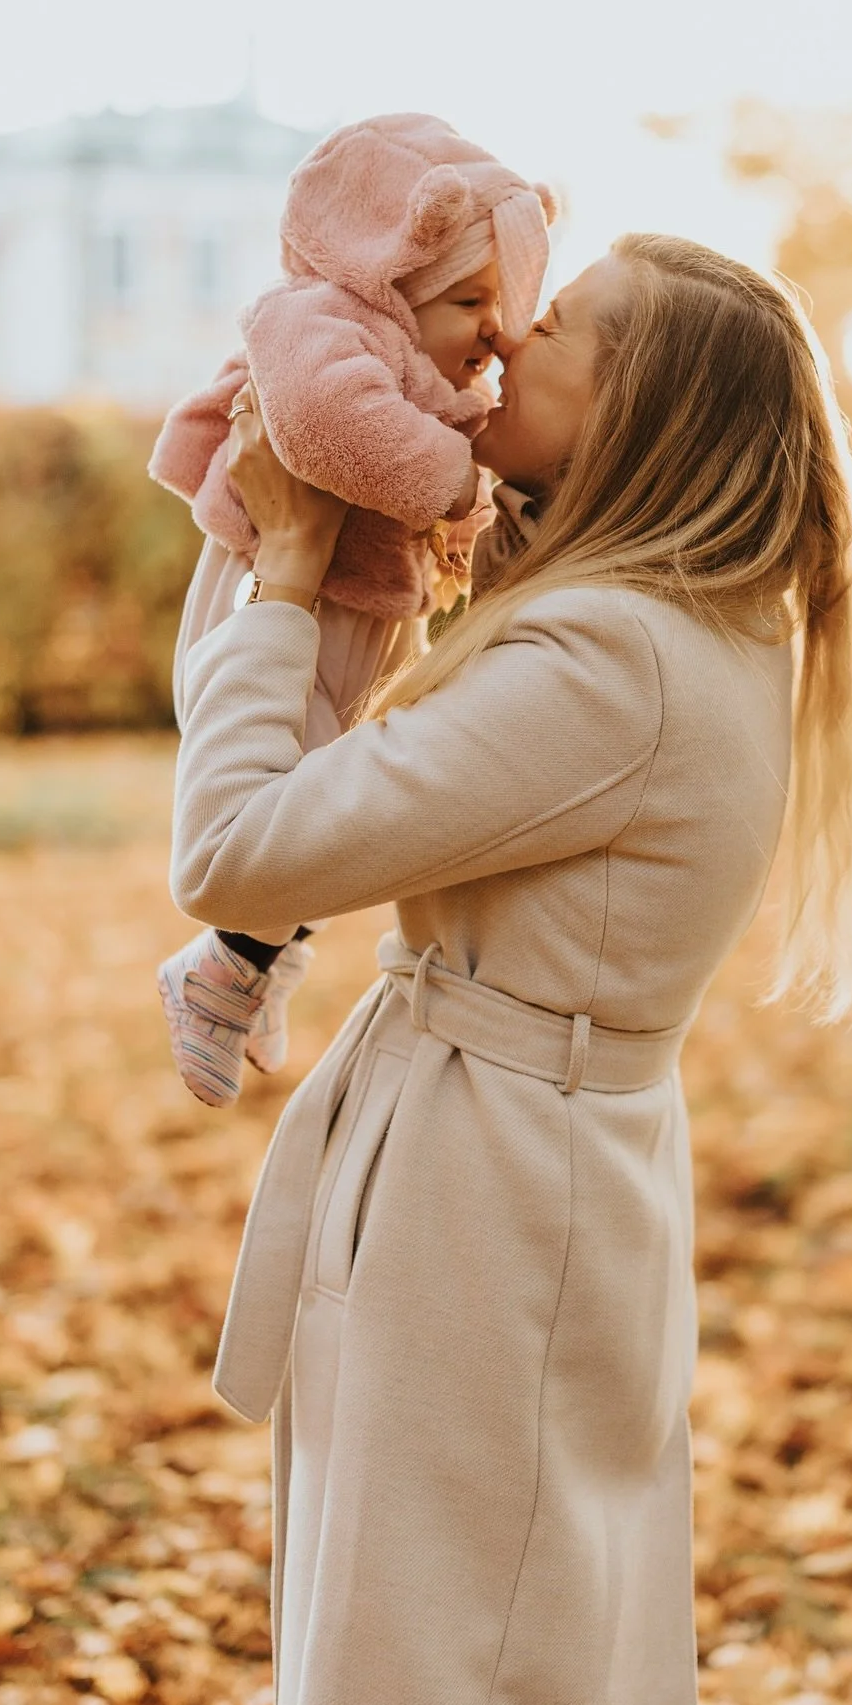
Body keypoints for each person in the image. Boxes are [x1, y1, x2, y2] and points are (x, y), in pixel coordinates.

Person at [169, 234, 852, 1705]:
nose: (509, 333)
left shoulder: (612, 662)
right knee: (505, 1639)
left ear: (637, 410)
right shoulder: (664, 624)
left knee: (453, 1666)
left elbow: (240, 853)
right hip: (513, 1159)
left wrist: (290, 573)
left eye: (555, 325)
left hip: (497, 1196)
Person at [151, 114, 552, 1104]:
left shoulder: (409, 352)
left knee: (339, 796)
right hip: (281, 604)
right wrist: (458, 481)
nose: (495, 336)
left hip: (349, 609)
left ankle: (255, 958)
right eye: (470, 301)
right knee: (291, 799)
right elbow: (336, 426)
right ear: (389, 271)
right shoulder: (318, 321)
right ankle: (226, 969)